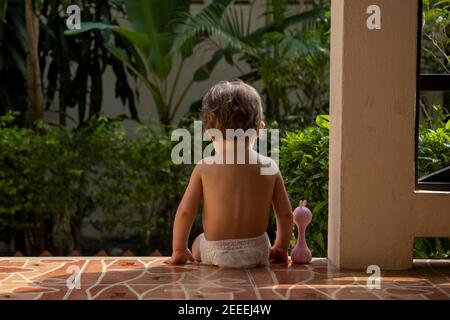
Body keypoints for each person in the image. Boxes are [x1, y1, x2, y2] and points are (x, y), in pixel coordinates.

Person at [166, 79, 293, 268]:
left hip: (216, 252)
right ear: (260, 130)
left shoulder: (204, 167)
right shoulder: (269, 166)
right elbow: (285, 214)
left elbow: (186, 212)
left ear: (209, 132)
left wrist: (179, 250)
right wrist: (281, 248)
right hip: (257, 251)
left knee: (199, 240)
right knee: (263, 239)